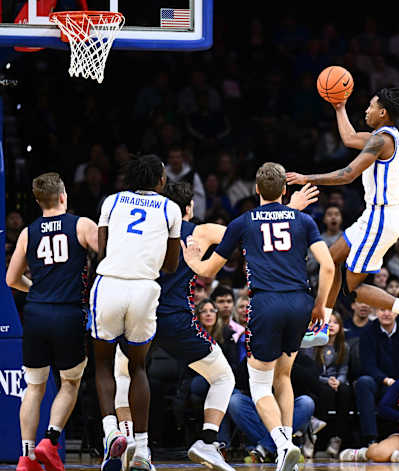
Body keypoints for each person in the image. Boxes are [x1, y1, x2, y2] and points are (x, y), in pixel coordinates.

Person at [111, 181, 316, 468]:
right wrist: (290, 210)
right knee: (222, 378)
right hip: (175, 318)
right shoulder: (199, 231)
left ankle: (130, 441)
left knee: (125, 373)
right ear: (188, 207)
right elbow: (250, 233)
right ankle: (208, 442)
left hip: (136, 313)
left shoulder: (139, 232)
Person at [181, 162, 335, 471]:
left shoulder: (242, 222)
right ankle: (289, 443)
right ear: (284, 190)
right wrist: (320, 306)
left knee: (260, 385)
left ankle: (282, 444)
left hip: (266, 304)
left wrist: (194, 261)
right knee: (284, 376)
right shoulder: (304, 220)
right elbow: (329, 267)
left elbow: (210, 271)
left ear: (255, 190)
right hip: (301, 302)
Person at [286, 87, 399, 347]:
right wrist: (339, 107)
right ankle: (321, 328)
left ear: (383, 112)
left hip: (381, 218)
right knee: (330, 262)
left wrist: (306, 177)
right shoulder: (383, 135)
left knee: (351, 288)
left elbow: (347, 174)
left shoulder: (381, 140)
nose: (366, 110)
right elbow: (349, 137)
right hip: (374, 215)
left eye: (370, 106)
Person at [90, 155, 182, 471]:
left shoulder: (112, 201)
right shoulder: (171, 208)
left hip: (110, 283)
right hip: (145, 287)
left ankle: (111, 432)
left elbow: (100, 251)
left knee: (103, 362)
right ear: (159, 181)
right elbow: (171, 266)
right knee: (138, 366)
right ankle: (142, 451)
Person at [6, 173, 98, 471]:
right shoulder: (81, 224)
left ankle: (25, 456)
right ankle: (50, 439)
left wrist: (37, 289)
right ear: (63, 196)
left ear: (37, 201)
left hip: (35, 314)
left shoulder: (27, 233)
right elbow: (108, 256)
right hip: (67, 313)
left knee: (34, 388)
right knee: (70, 381)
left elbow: (10, 279)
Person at [350, 308, 399, 447]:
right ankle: (370, 439)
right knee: (363, 382)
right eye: (382, 310)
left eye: (390, 310)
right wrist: (386, 380)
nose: (386, 314)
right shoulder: (368, 331)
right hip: (380, 381)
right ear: (376, 312)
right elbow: (368, 365)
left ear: (397, 312)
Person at [304, 311, 352, 458]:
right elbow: (312, 372)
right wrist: (328, 381)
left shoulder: (344, 346)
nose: (331, 325)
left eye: (335, 322)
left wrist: (339, 381)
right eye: (328, 322)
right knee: (327, 392)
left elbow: (344, 369)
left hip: (336, 381)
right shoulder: (314, 345)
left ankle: (336, 438)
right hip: (319, 381)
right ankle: (312, 437)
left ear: (340, 327)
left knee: (345, 391)